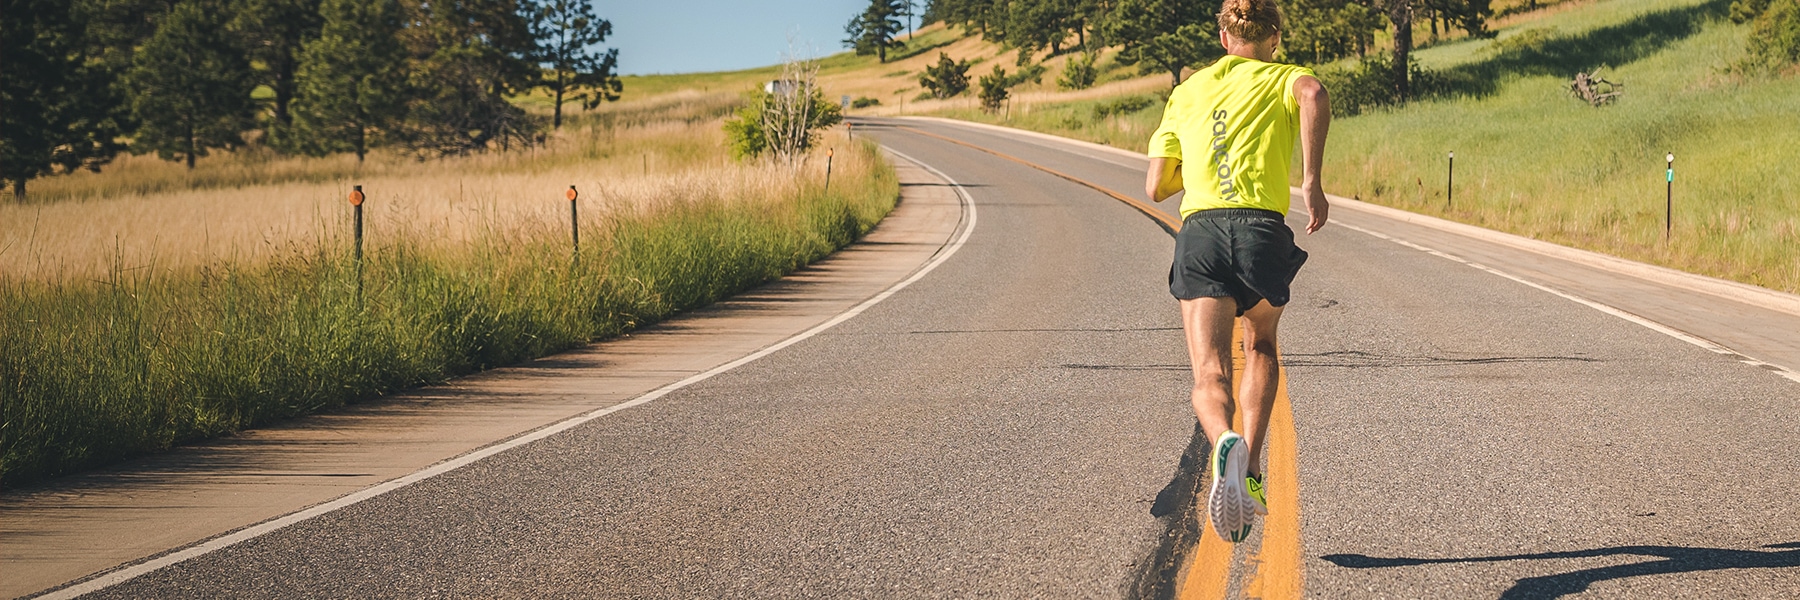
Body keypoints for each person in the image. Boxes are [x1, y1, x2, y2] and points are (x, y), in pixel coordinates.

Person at [1142, 0, 1330, 543]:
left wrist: (1205, 166)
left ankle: (1223, 437)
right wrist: (1311, 180)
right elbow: (1314, 94)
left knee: (1209, 373)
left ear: (1224, 39)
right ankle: (1248, 474)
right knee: (1262, 345)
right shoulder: (1283, 77)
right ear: (1274, 38)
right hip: (1260, 230)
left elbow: (1155, 187)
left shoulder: (1186, 92)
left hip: (1201, 231)